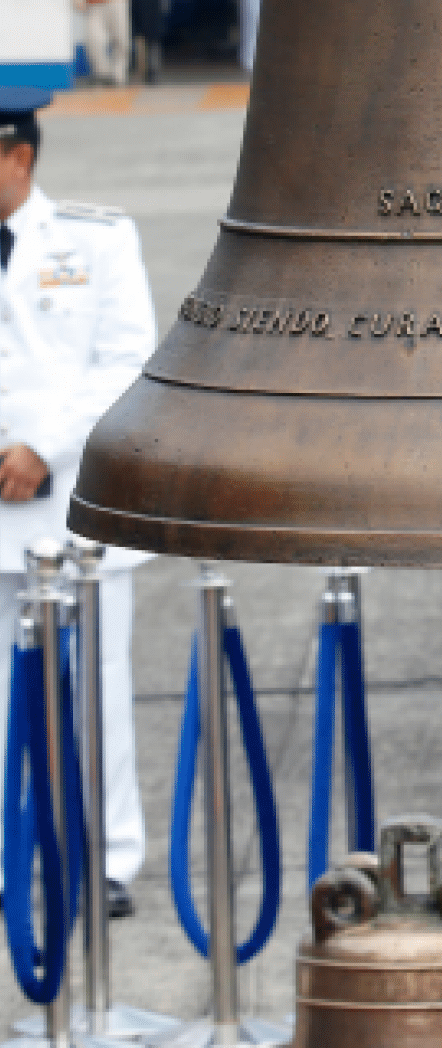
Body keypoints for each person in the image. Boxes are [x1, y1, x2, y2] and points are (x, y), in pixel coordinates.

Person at [0, 87, 156, 919]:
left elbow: (128, 361)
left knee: (95, 694)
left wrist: (41, 448)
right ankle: (6, 861)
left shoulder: (95, 239)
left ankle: (106, 861)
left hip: (71, 515)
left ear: (17, 157)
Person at [82, 0, 134, 86]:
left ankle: (118, 75)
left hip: (117, 3)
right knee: (94, 40)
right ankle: (102, 74)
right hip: (93, 5)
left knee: (121, 41)